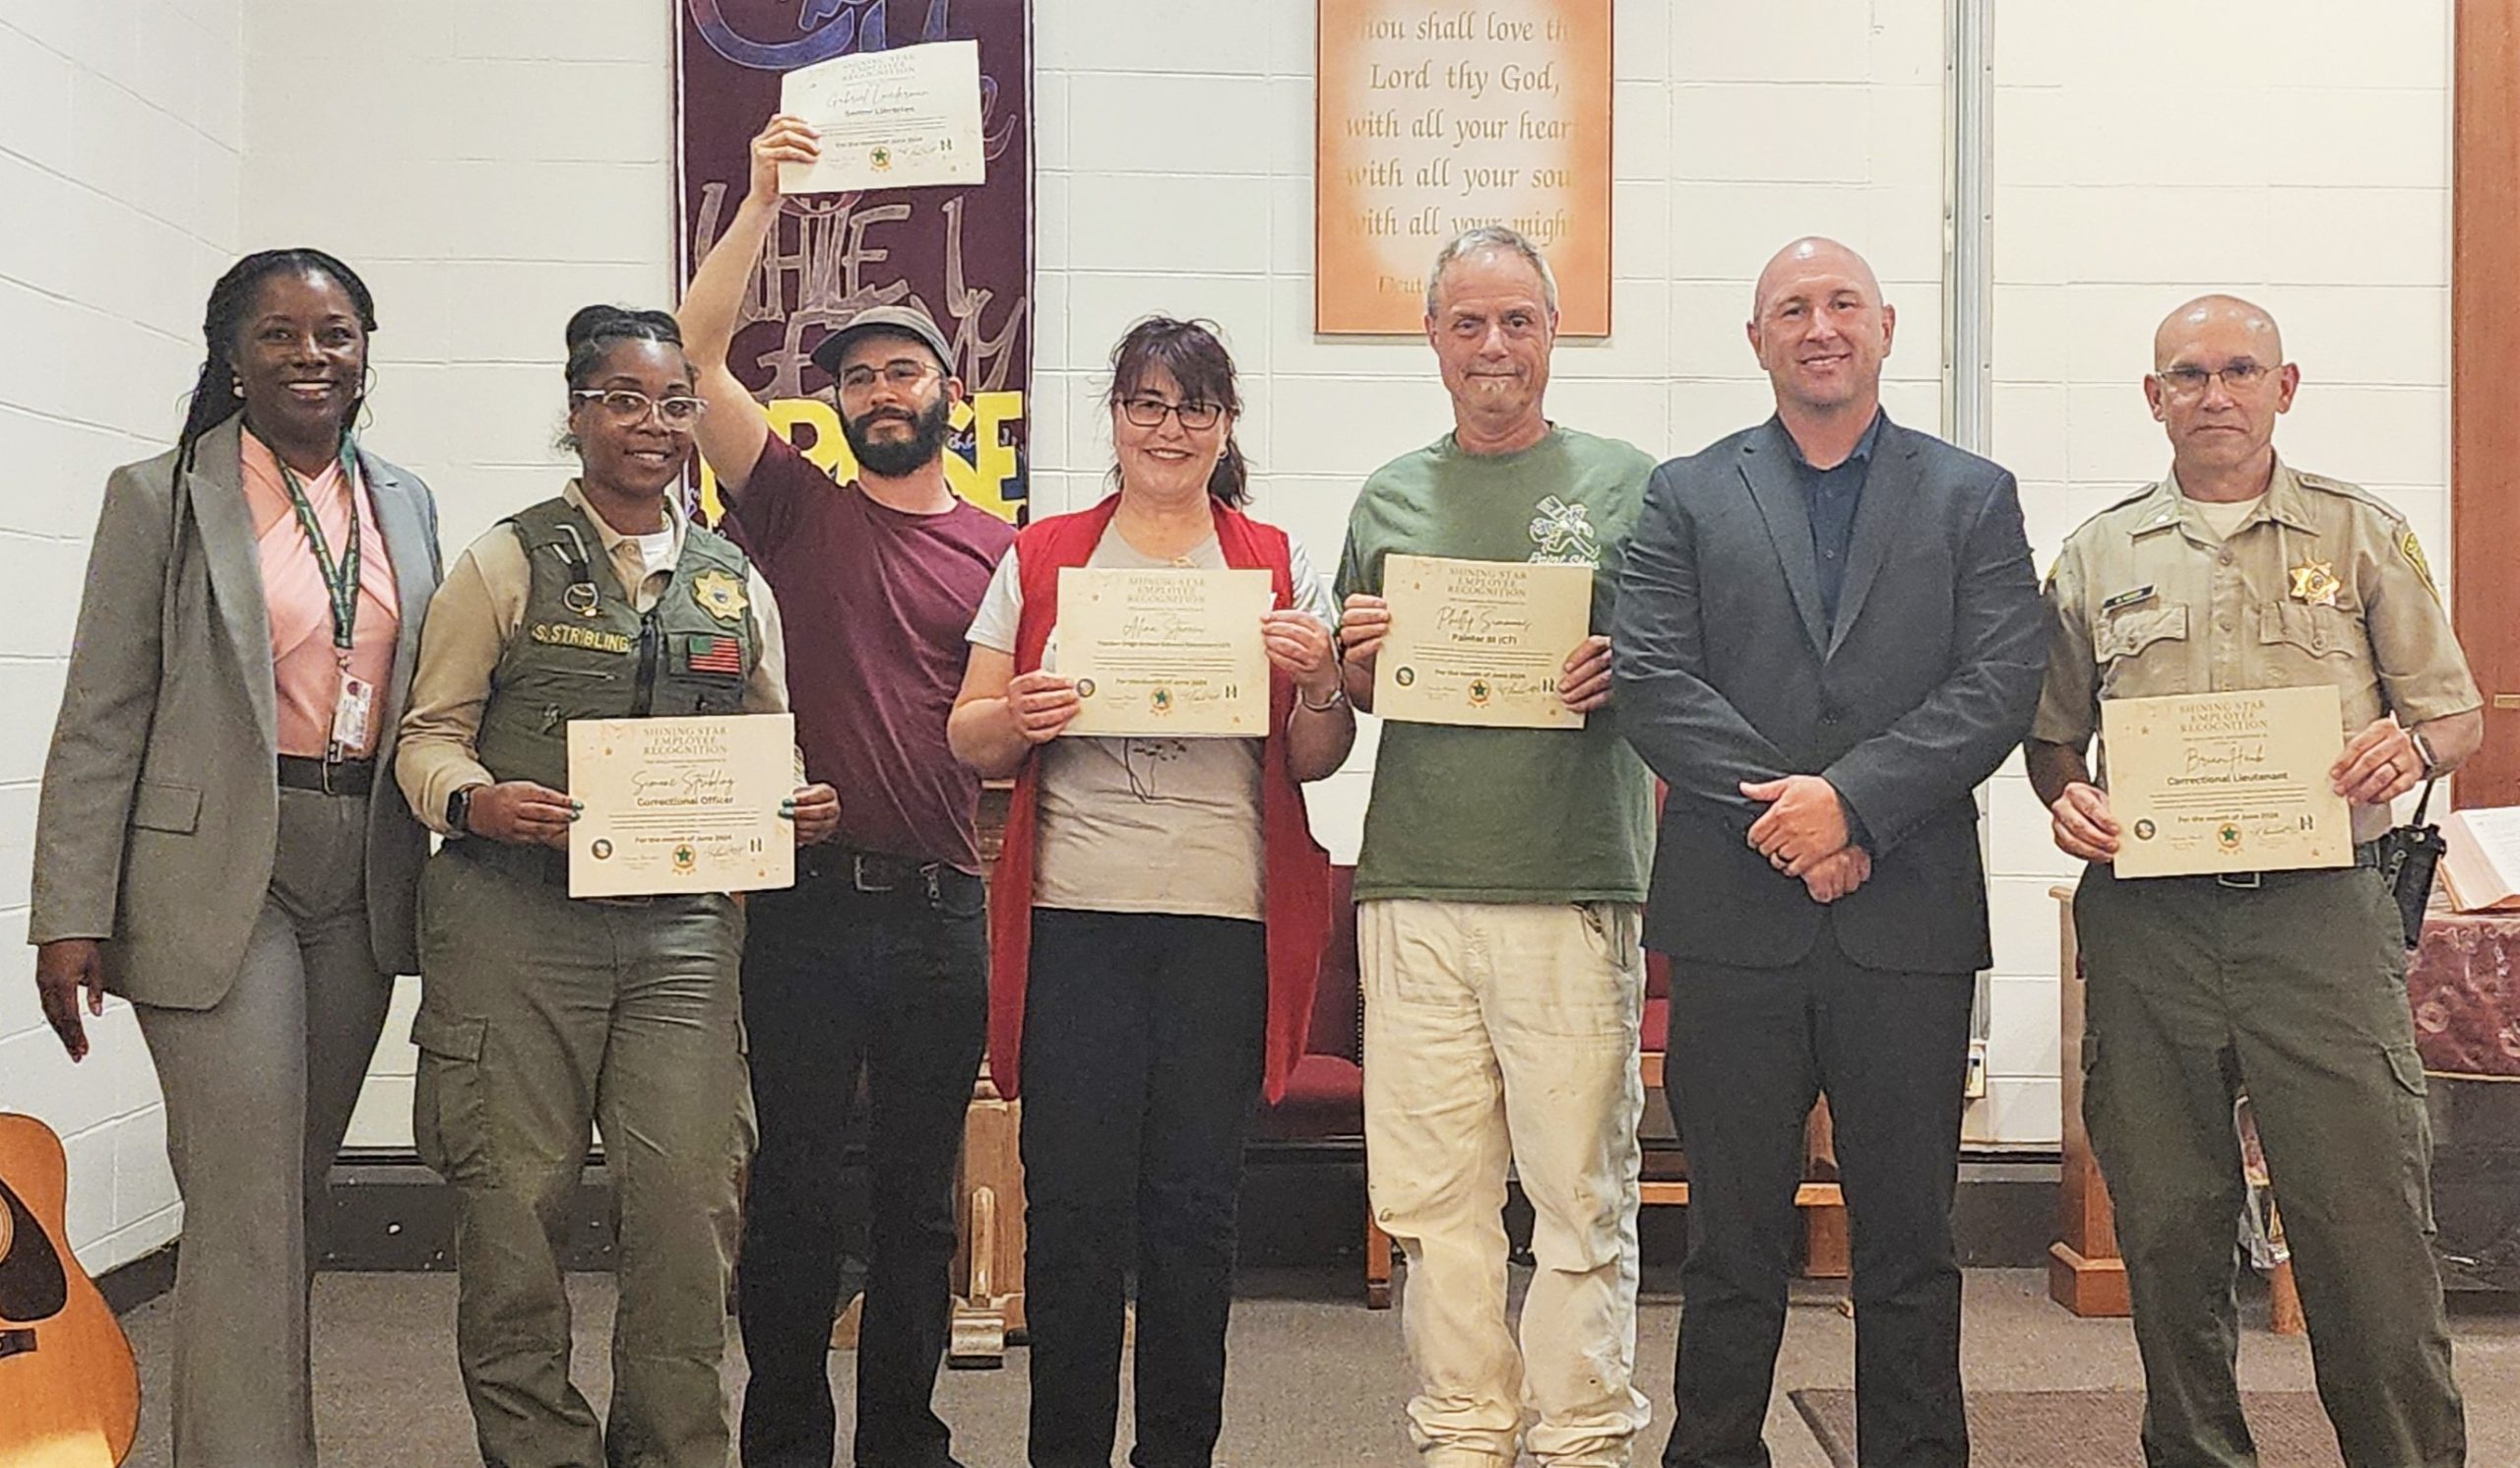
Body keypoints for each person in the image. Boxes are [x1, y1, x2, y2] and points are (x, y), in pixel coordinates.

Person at [1613, 236, 2045, 1468]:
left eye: (1841, 303)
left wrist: (1851, 807)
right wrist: (1794, 823)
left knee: (1909, 1243)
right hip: (1734, 924)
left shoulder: (1972, 494)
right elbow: (1652, 680)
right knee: (1731, 1242)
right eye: (1790, 308)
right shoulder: (1687, 494)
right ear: (1755, 340)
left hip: (1905, 921)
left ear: (1886, 327)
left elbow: (1999, 680)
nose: (1819, 326)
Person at [2026, 294, 2477, 1468]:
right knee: (2169, 1237)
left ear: (2284, 386)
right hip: (2153, 928)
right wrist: (2062, 793)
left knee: (2365, 1234)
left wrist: (2411, 747)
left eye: (2238, 370)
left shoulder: (2358, 535)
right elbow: (2050, 732)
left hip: (2320, 922)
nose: (2212, 394)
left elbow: (2454, 712)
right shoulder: (2096, 555)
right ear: (2153, 397)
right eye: (2187, 374)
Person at [395, 305, 840, 1468]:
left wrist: (792, 800)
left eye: (674, 404)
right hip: (512, 920)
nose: (652, 425)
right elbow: (425, 736)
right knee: (513, 1211)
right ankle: (539, 1450)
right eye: (624, 400)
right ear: (578, 409)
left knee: (690, 1214)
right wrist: (475, 798)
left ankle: (675, 1450)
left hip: (681, 936)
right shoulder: (507, 557)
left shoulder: (732, 578)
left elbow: (771, 741)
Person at [27, 248, 440, 1468]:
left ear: (368, 349)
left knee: (291, 1190)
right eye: (278, 334)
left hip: (361, 859)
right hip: (217, 871)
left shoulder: (405, 499)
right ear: (231, 355)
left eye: (336, 333)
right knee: (248, 1196)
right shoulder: (158, 496)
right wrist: (70, 909)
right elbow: (102, 709)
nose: (310, 355)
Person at [948, 316, 1350, 1468]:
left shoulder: (1276, 559)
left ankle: (1178, 1451)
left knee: (1192, 1214)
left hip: (1223, 926)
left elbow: (1314, 757)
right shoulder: (1040, 557)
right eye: (1144, 404)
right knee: (1070, 1212)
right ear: (1114, 418)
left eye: (1192, 408)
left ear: (1225, 427)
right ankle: (1062, 1451)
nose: (1167, 429)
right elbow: (967, 735)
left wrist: (1320, 679)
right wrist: (1016, 717)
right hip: (1078, 921)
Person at [680, 112, 1015, 1468]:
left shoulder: (1009, 550)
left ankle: (904, 1441)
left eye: (904, 370)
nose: (883, 390)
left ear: (949, 391)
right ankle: (784, 1444)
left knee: (920, 1205)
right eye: (859, 375)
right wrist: (761, 194)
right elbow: (695, 352)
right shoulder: (795, 506)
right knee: (798, 1193)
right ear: (836, 403)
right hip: (809, 907)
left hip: (944, 913)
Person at [1334, 226, 1655, 1468]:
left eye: (1516, 320)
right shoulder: (1388, 494)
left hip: (1570, 879)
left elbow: (1686, 665)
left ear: (1552, 331)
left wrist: (1632, 666)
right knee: (1433, 1202)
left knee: (1579, 1194)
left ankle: (1579, 1436)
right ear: (1431, 339)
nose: (1493, 346)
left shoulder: (1630, 484)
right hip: (1413, 882)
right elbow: (1358, 692)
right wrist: (1355, 664)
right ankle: (1461, 1432)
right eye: (1466, 323)